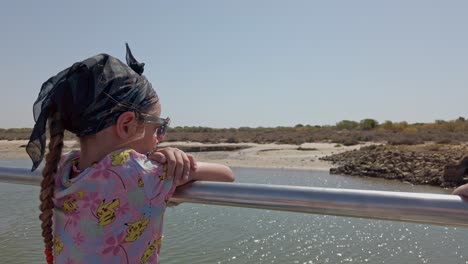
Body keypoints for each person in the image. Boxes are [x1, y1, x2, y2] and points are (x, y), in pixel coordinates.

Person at [26, 44, 234, 264]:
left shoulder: (64, 169)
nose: (159, 140)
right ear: (126, 125)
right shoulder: (139, 172)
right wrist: (177, 158)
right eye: (158, 128)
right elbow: (227, 174)